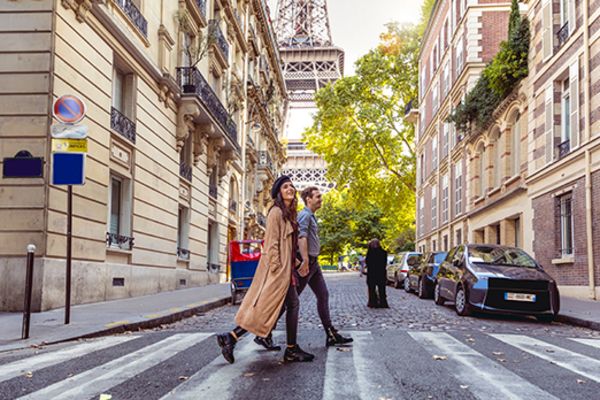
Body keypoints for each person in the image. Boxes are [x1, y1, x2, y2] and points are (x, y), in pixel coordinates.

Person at [216, 175, 314, 364]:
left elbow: (287, 246)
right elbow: (272, 244)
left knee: (277, 307)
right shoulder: (276, 212)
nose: (290, 189)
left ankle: (232, 337)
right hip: (277, 271)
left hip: (286, 269)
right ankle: (290, 349)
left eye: (292, 186)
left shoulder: (287, 213)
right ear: (278, 191)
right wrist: (278, 270)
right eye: (286, 187)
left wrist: (296, 263)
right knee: (279, 306)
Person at [295, 186, 352, 347]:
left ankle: (330, 333)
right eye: (318, 197)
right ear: (309, 199)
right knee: (292, 300)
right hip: (308, 262)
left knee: (323, 295)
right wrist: (305, 260)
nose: (321, 199)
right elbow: (301, 237)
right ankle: (265, 332)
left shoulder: (311, 216)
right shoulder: (305, 215)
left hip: (314, 262)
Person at [366, 238, 389, 308]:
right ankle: (383, 302)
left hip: (372, 274)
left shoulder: (370, 253)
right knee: (382, 289)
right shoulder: (384, 253)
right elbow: (384, 263)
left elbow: (368, 263)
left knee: (371, 289)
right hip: (381, 273)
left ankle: (372, 302)